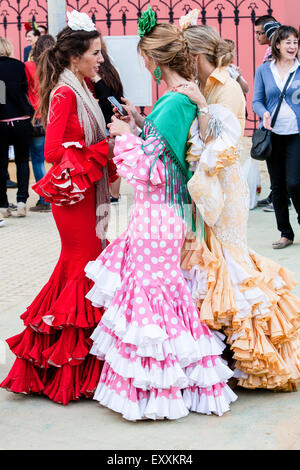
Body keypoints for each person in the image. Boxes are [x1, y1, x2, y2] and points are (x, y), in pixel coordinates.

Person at [84, 7, 237, 421]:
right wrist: (138, 121)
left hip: (159, 212)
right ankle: (179, 383)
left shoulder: (172, 101)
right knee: (169, 295)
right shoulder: (182, 94)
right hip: (171, 212)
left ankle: (158, 392)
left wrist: (123, 135)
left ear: (151, 61)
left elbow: (151, 169)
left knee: (154, 300)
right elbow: (168, 148)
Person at [176, 13, 300, 392]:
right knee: (220, 262)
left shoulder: (225, 87)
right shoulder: (207, 82)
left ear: (196, 56)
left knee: (232, 261)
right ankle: (228, 349)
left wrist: (196, 130)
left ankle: (258, 351)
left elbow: (224, 148)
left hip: (224, 189)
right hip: (214, 185)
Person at [1, 10, 110, 405]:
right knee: (82, 267)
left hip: (85, 192)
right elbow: (50, 153)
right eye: (95, 53)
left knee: (83, 266)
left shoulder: (83, 87)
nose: (100, 59)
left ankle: (71, 361)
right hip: (73, 197)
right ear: (74, 56)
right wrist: (102, 151)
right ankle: (68, 367)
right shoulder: (65, 92)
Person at [253, 26, 300, 250]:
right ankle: (285, 233)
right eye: (288, 42)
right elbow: (256, 100)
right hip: (273, 135)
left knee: (295, 183)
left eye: (295, 42)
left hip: (296, 135)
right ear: (277, 45)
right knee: (278, 186)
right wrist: (264, 113)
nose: (292, 46)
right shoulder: (264, 71)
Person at [0, 37, 33, 218]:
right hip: (22, 119)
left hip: (2, 122)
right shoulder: (19, 66)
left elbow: (1, 97)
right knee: (22, 162)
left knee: (1, 165)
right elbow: (24, 91)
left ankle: (3, 205)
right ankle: (21, 202)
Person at [89, 34, 123, 204]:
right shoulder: (111, 69)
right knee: (114, 158)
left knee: (111, 159)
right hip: (114, 119)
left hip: (107, 120)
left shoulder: (98, 74)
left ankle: (114, 195)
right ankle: (114, 195)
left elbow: (105, 98)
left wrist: (95, 80)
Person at [25, 34, 55, 212]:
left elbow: (24, 89)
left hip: (36, 116)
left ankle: (45, 199)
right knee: (56, 158)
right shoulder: (57, 67)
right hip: (55, 115)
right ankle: (59, 194)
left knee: (37, 160)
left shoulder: (28, 66)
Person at [254, 15, 278, 211]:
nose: (257, 36)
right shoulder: (269, 53)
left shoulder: (277, 55)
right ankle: (275, 195)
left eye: (260, 32)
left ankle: (279, 197)